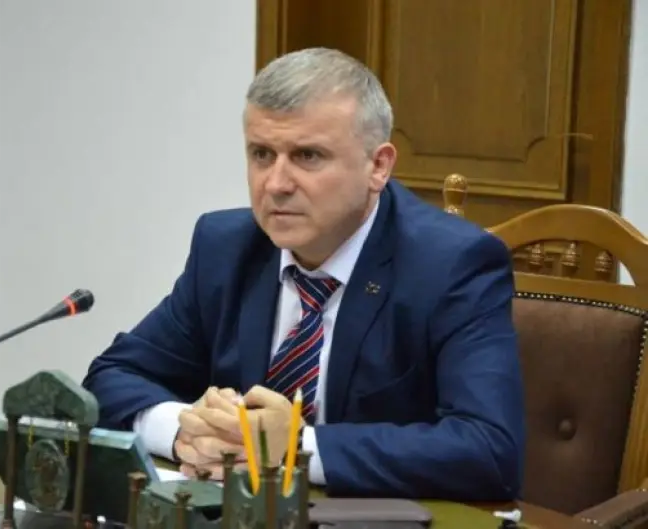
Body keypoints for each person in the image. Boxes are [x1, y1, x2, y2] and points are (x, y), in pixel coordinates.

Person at [82, 47, 525, 501]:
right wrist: (185, 431)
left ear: (378, 166)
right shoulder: (226, 247)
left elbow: (489, 449)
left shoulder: (452, 264)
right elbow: (111, 377)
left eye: (308, 156)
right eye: (261, 154)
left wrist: (295, 446)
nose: (276, 184)